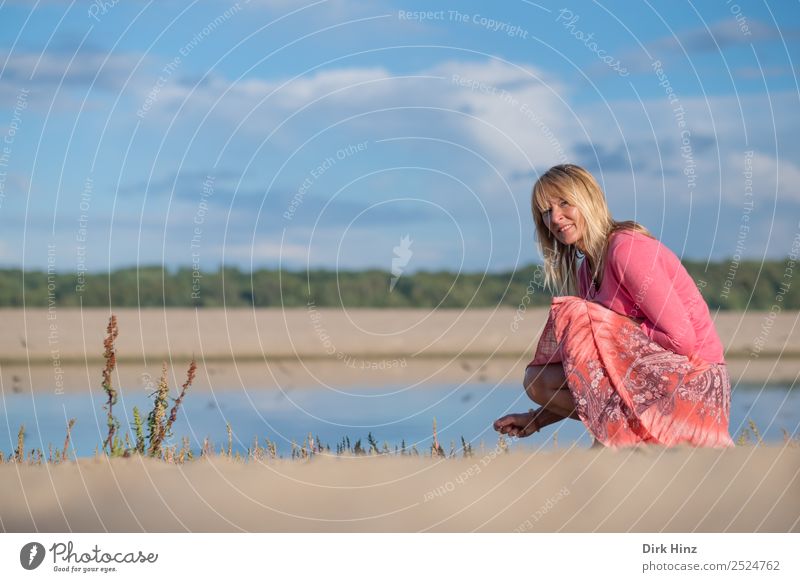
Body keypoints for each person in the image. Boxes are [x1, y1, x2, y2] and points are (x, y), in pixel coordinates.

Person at [493, 164, 733, 448]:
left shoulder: (627, 249)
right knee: (539, 380)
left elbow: (682, 341)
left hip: (696, 383)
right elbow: (586, 377)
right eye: (546, 212)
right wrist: (537, 419)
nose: (556, 218)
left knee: (582, 317)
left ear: (589, 200)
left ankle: (632, 439)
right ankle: (629, 439)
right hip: (652, 381)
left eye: (564, 203)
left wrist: (615, 330)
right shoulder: (587, 270)